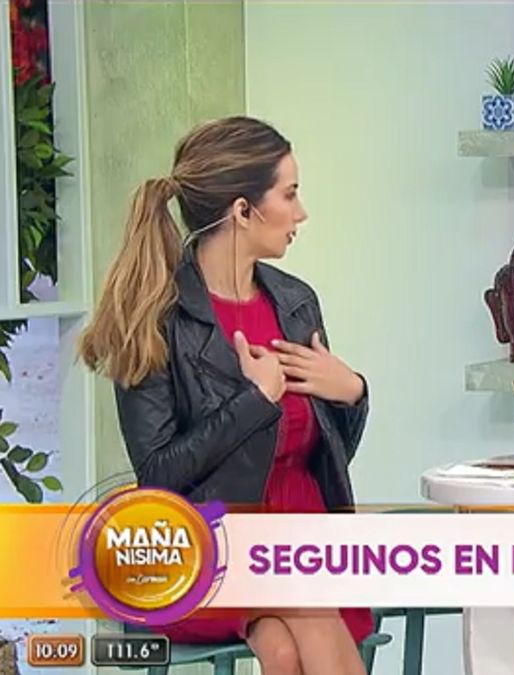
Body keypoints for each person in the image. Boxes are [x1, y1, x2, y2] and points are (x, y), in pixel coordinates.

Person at [77, 116, 372, 675]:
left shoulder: (295, 303)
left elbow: (324, 455)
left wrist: (351, 393)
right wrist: (254, 402)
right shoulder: (157, 317)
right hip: (206, 548)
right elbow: (159, 476)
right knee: (306, 604)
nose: (301, 213)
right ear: (242, 210)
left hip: (302, 536)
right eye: (290, 194)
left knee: (283, 651)